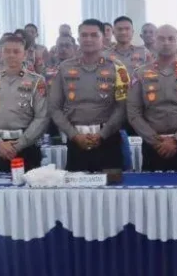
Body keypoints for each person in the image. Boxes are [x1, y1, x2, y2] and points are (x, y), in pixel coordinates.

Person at [48, 19, 129, 172]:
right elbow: (54, 107)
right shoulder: (65, 68)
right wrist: (74, 135)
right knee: (76, 194)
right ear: (78, 39)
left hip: (108, 140)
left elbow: (122, 107)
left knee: (112, 193)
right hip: (76, 140)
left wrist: (102, 134)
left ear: (103, 38)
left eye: (94, 35)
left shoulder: (117, 68)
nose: (88, 39)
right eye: (84, 35)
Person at [127, 25, 177, 171]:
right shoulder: (140, 74)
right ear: (154, 42)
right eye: (161, 38)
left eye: (171, 39)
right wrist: (156, 141)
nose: (166, 42)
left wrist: (176, 140)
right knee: (151, 192)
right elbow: (134, 113)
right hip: (153, 146)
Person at [0, 33, 49, 172]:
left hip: (27, 145)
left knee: (29, 192)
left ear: (24, 55)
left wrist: (18, 145)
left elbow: (42, 117)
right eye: (7, 51)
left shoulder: (37, 81)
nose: (11, 55)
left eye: (16, 51)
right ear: (1, 54)